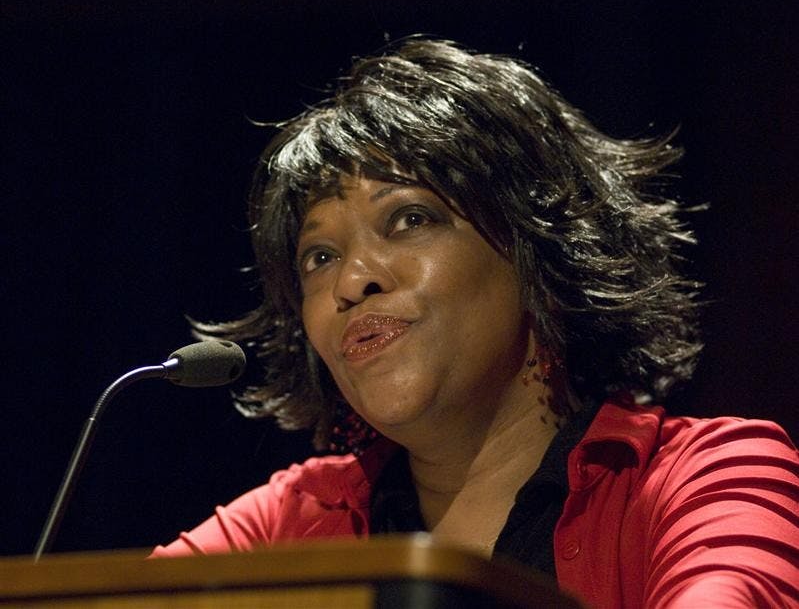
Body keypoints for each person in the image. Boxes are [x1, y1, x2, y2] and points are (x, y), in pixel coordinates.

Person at [152, 39, 799, 607]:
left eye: (409, 218)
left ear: (537, 249)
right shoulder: (289, 523)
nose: (351, 282)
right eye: (319, 257)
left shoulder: (703, 478)